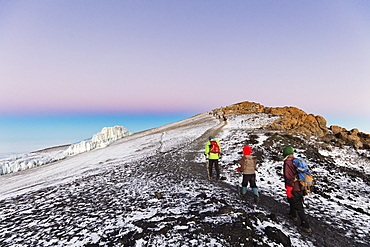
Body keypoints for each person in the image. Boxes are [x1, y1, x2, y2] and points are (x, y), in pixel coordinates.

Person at [283, 145, 312, 233]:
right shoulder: (296, 161)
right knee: (292, 199)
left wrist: (289, 188)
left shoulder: (287, 162)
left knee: (298, 205)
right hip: (301, 186)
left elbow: (288, 176)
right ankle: (293, 214)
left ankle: (306, 226)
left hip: (294, 187)